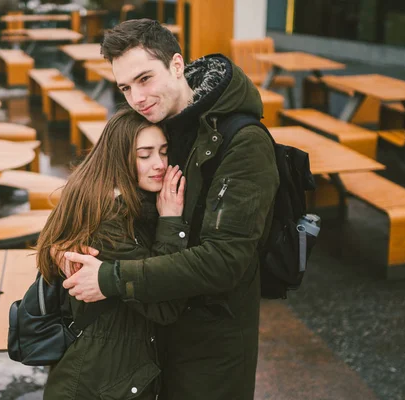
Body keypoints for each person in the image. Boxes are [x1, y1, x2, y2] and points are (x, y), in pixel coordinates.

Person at [60, 19, 280, 399]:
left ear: (177, 65)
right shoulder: (162, 124)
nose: (136, 98)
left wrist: (111, 278)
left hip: (213, 344)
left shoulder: (243, 143)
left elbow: (226, 259)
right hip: (157, 325)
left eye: (145, 79)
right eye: (125, 87)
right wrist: (68, 243)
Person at [36, 108, 189, 399]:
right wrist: (170, 222)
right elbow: (165, 305)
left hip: (106, 376)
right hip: (102, 386)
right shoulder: (110, 220)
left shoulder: (106, 199)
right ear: (119, 158)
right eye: (144, 155)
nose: (158, 164)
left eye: (164, 152)